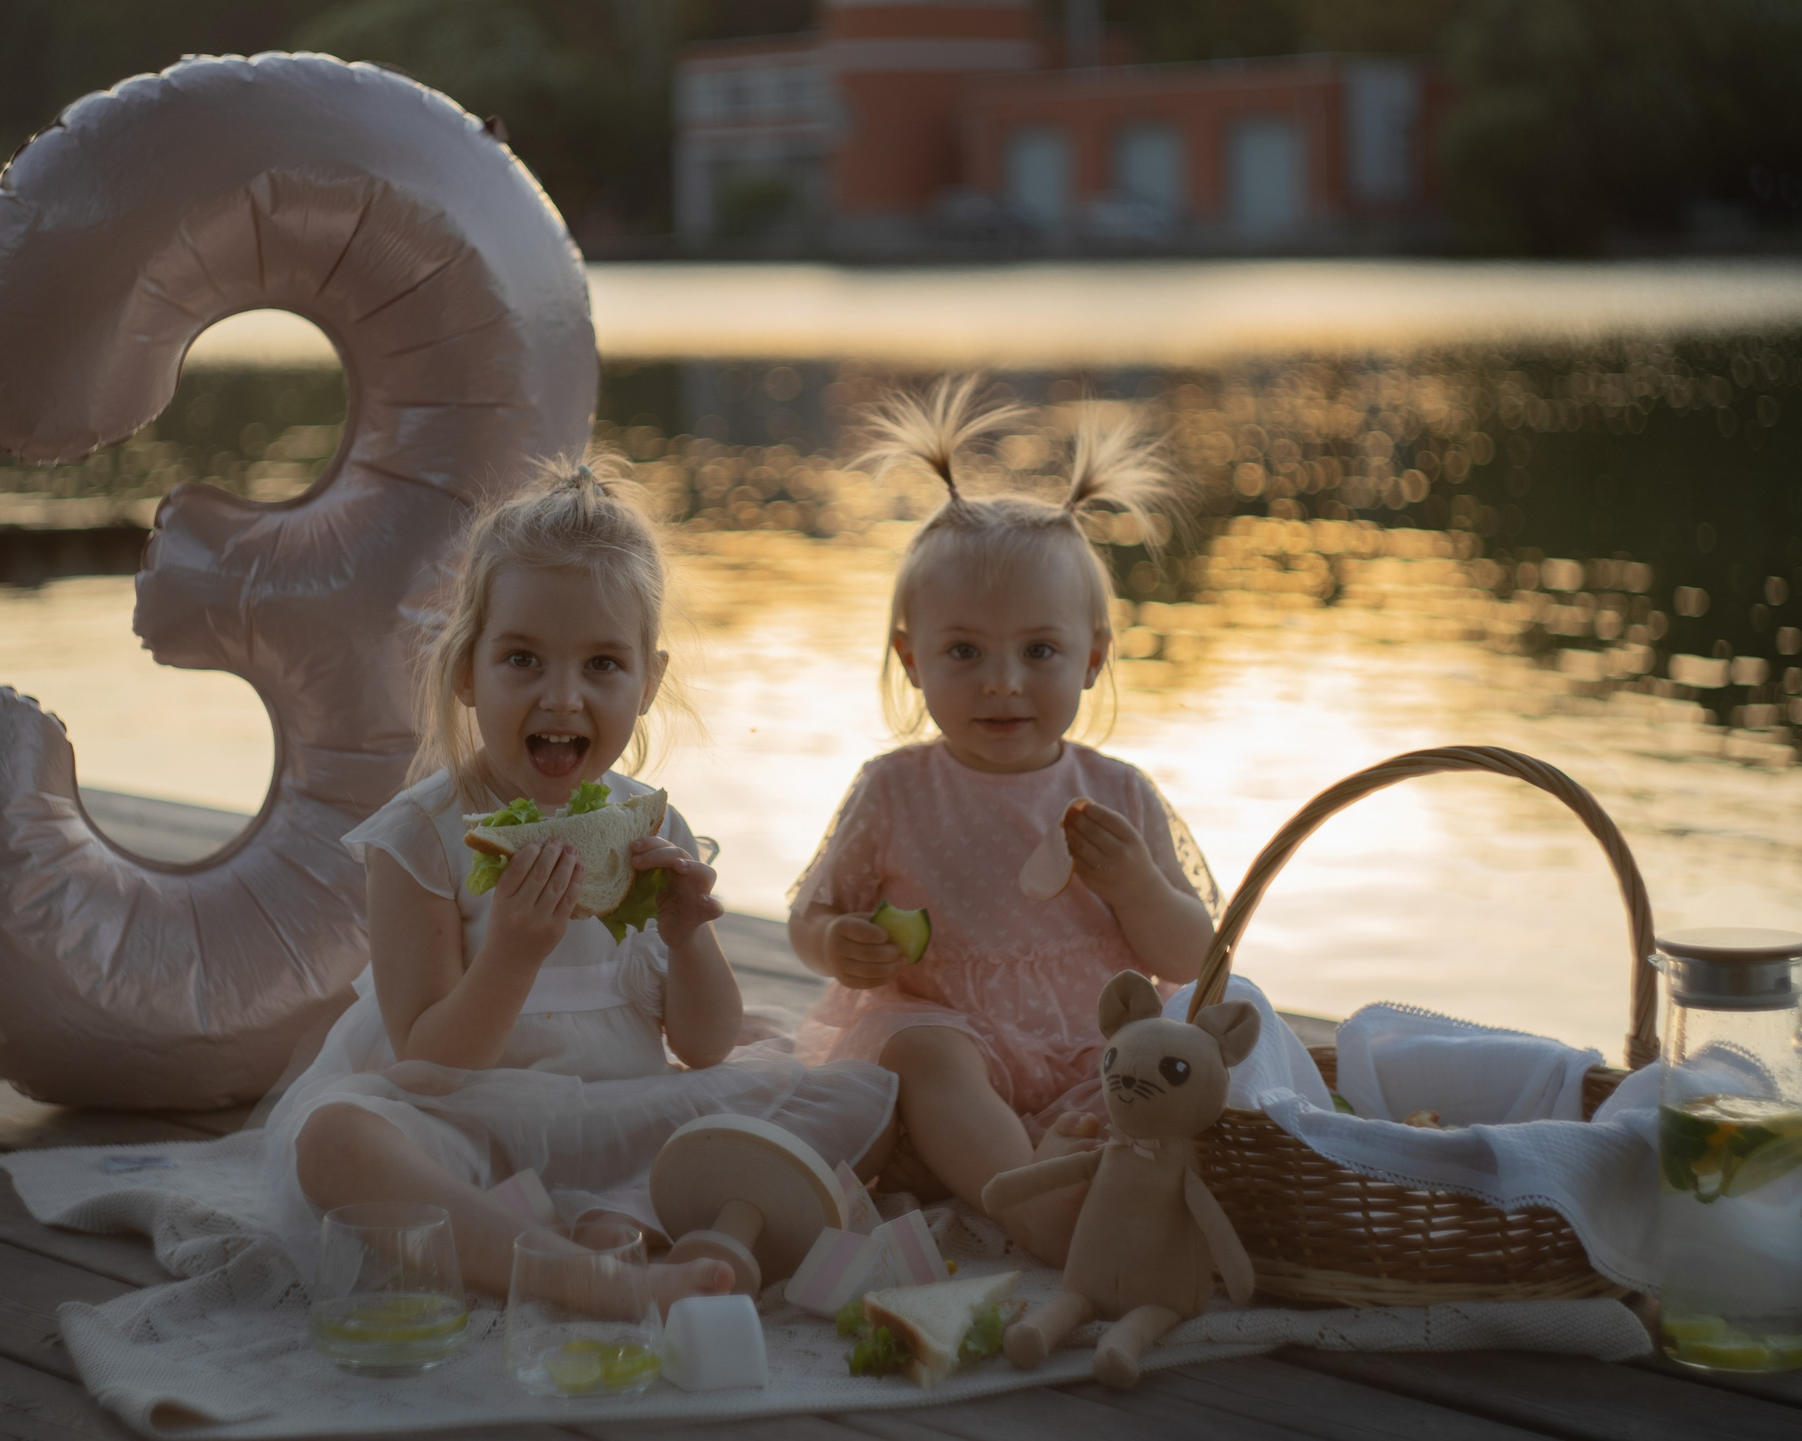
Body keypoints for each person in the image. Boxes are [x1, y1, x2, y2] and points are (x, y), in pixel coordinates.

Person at [265, 456, 896, 1307]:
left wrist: (689, 934)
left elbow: (707, 1045)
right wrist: (512, 954)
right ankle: (580, 1271)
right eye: (523, 659)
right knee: (334, 1140)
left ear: (648, 682)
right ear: (465, 672)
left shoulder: (649, 825)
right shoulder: (420, 837)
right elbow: (432, 1060)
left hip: (622, 1117)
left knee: (836, 1096)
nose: (563, 697)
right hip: (468, 1128)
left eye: (602, 665)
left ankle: (604, 1226)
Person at [787, 379, 1222, 1264]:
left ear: (1092, 657)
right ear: (912, 659)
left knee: (1186, 1053)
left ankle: (1079, 1169)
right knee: (921, 1050)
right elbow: (810, 913)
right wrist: (839, 944)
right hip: (964, 1047)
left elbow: (1192, 957)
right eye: (963, 651)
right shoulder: (895, 790)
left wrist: (1137, 886)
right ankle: (1043, 1216)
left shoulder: (1119, 793)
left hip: (1097, 1049)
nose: (1002, 681)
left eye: (1040, 651)